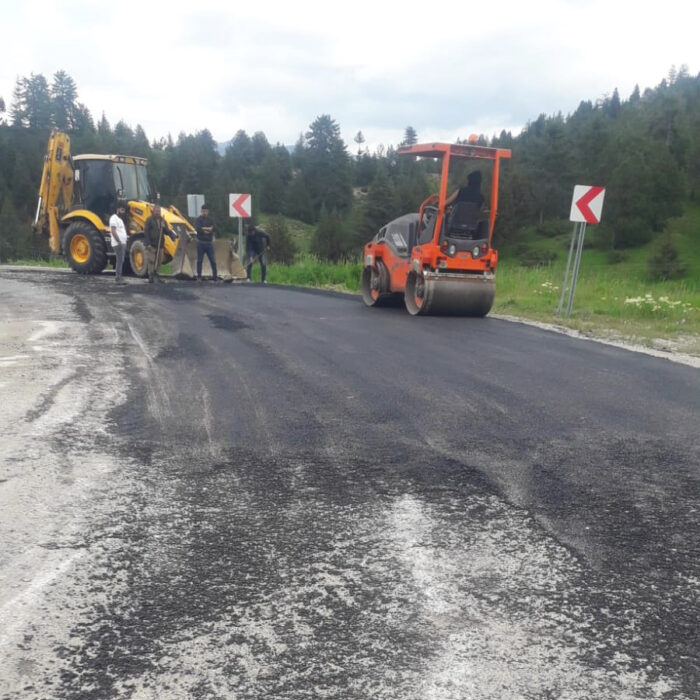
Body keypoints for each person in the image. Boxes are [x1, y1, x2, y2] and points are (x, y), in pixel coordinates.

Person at [144, 205, 175, 283]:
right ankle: (151, 276)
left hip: (160, 244)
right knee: (151, 260)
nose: (158, 212)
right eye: (157, 211)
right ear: (153, 211)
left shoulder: (162, 220)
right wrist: (148, 244)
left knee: (159, 260)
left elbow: (167, 231)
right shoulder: (149, 220)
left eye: (159, 211)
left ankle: (157, 275)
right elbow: (146, 232)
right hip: (152, 244)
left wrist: (172, 235)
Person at [194, 204, 218, 282]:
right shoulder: (198, 220)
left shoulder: (211, 219)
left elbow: (214, 228)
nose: (204, 212)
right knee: (199, 260)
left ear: (208, 212)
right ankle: (199, 277)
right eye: (203, 211)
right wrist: (208, 229)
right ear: (201, 211)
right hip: (200, 242)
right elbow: (198, 229)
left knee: (213, 260)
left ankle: (215, 277)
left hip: (209, 243)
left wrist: (205, 229)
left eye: (206, 211)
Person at [109, 201, 128, 285]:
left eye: (124, 210)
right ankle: (118, 278)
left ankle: (119, 277)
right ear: (117, 210)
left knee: (121, 260)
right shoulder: (114, 218)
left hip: (122, 243)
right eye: (122, 210)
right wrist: (119, 241)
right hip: (118, 244)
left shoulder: (120, 219)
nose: (123, 212)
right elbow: (113, 231)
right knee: (120, 260)